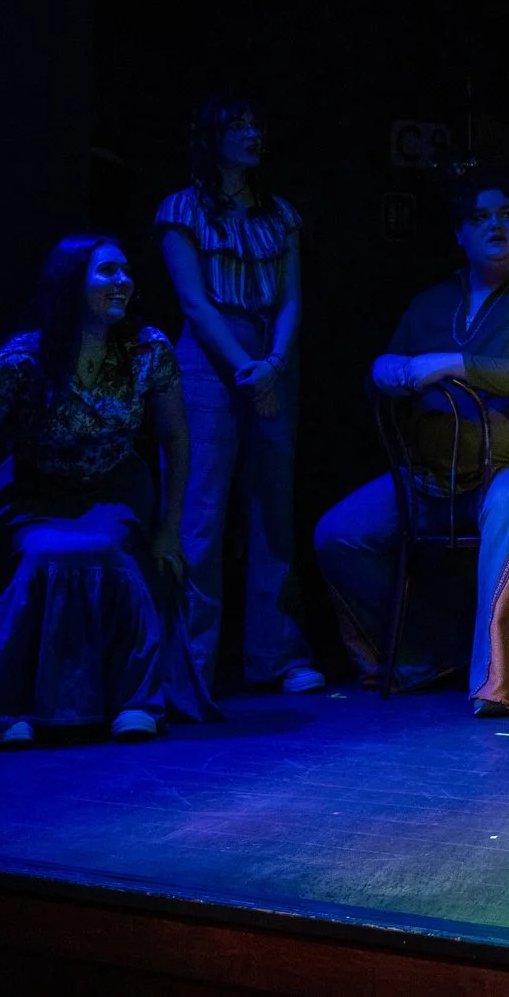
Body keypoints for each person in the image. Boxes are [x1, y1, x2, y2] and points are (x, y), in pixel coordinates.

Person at [313, 171, 509, 717]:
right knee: (340, 534)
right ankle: (422, 657)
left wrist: (456, 364)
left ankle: (498, 684)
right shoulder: (431, 302)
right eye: (480, 217)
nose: (495, 224)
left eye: (508, 214)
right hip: (440, 473)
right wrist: (382, 369)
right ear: (460, 235)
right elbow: (390, 371)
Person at [0, 236, 216, 746]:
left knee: (110, 551)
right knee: (44, 556)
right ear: (73, 284)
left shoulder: (147, 350)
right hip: (33, 494)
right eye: (108, 272)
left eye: (126, 272)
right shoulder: (23, 358)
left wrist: (168, 532)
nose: (123, 282)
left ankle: (133, 701)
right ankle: (8, 708)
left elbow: (176, 438)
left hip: (113, 490)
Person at [155, 96, 323, 694]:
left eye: (257, 124)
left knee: (272, 508)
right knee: (198, 511)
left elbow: (292, 298)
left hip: (273, 353)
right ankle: (189, 666)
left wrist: (274, 363)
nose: (253, 134)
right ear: (211, 135)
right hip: (209, 355)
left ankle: (275, 653)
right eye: (239, 125)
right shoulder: (180, 209)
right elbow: (195, 302)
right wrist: (248, 366)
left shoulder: (280, 213)